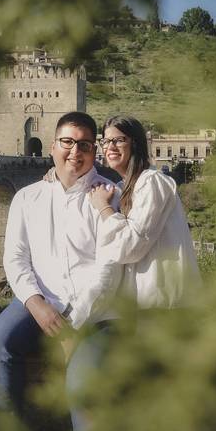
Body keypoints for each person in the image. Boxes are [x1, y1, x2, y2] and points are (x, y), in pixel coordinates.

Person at [0, 111, 121, 431]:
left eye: (83, 143)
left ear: (94, 148)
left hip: (97, 311)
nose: (74, 151)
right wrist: (36, 303)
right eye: (67, 141)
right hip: (39, 301)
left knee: (82, 383)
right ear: (53, 144)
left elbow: (110, 268)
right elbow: (15, 259)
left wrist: (73, 325)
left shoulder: (110, 195)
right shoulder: (28, 197)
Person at [86, 115, 201, 311]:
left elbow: (131, 245)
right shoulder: (125, 187)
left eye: (119, 140)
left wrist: (104, 208)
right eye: (105, 141)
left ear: (136, 144)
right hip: (144, 305)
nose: (110, 147)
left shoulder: (152, 183)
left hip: (165, 305)